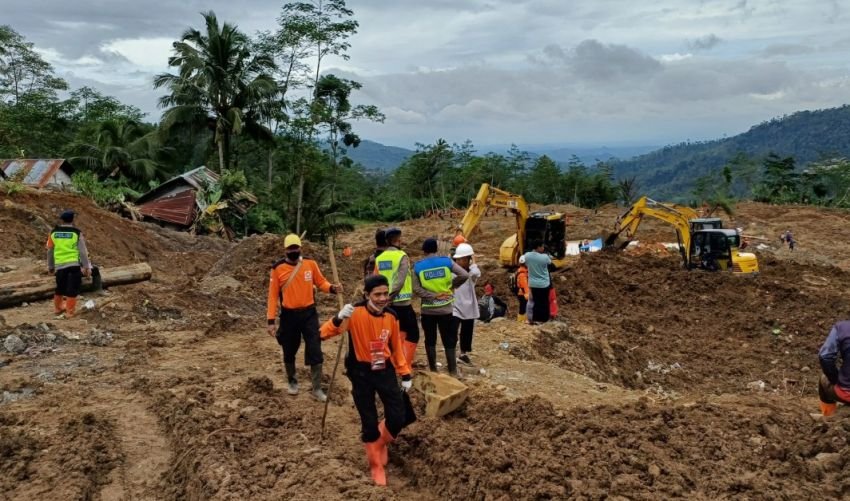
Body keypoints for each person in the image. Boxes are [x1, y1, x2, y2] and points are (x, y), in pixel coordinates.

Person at [320, 274, 413, 486]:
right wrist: (338, 318)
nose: (382, 298)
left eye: (385, 294)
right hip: (361, 373)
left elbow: (396, 348)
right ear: (367, 295)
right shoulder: (354, 313)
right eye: (377, 294)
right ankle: (375, 465)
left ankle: (380, 443)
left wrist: (405, 373)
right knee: (368, 420)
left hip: (385, 370)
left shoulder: (392, 316)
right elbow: (323, 334)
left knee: (398, 417)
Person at [266, 234, 342, 402]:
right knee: (289, 348)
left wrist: (332, 288)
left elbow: (321, 282)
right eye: (290, 248)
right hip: (289, 316)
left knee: (315, 348)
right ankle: (292, 381)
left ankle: (316, 388)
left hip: (309, 314)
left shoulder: (310, 264)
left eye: (296, 248)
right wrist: (271, 321)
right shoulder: (277, 268)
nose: (293, 251)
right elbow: (272, 296)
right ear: (285, 250)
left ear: (301, 248)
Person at [412, 238, 469, 376]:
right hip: (446, 309)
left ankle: (433, 369)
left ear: (424, 251)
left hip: (428, 310)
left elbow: (415, 288)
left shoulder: (418, 266)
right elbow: (464, 274)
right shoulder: (446, 261)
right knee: (449, 339)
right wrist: (451, 286)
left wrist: (432, 296)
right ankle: (453, 370)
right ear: (436, 249)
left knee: (430, 339)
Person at [374, 227, 419, 364]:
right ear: (398, 240)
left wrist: (380, 300)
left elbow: (375, 280)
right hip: (401, 303)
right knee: (412, 334)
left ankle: (381, 363)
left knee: (387, 334)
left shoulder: (380, 258)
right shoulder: (402, 256)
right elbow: (400, 281)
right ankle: (402, 365)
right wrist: (389, 297)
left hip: (384, 304)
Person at [46, 209, 92, 319]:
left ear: (62, 220)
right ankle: (69, 312)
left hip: (60, 265)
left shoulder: (53, 232)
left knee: (60, 287)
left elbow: (50, 250)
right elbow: (82, 251)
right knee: (72, 288)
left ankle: (58, 309)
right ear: (72, 219)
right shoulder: (76, 233)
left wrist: (51, 266)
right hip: (73, 265)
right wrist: (86, 267)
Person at [451, 243, 480, 365]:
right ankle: (451, 354)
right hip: (455, 306)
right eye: (459, 259)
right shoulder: (452, 271)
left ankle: (463, 354)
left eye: (464, 259)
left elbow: (476, 273)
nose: (460, 261)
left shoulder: (471, 273)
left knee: (467, 332)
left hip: (468, 307)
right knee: (452, 331)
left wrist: (473, 263)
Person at [818, 321, 850, 417]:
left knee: (823, 379)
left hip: (846, 393)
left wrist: (835, 380)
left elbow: (825, 357)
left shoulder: (842, 328)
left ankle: (829, 417)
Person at [522, 240, 553, 324]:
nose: (543, 248)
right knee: (543, 302)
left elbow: (522, 261)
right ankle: (543, 319)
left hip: (533, 284)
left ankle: (534, 319)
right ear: (538, 247)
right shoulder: (544, 257)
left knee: (535, 301)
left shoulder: (527, 255)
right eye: (542, 246)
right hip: (544, 284)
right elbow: (550, 262)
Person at [515, 256, 530, 323]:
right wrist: (527, 295)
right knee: (523, 308)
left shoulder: (520, 271)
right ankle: (521, 321)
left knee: (523, 307)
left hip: (521, 293)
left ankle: (521, 320)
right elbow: (525, 286)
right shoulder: (522, 274)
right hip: (522, 293)